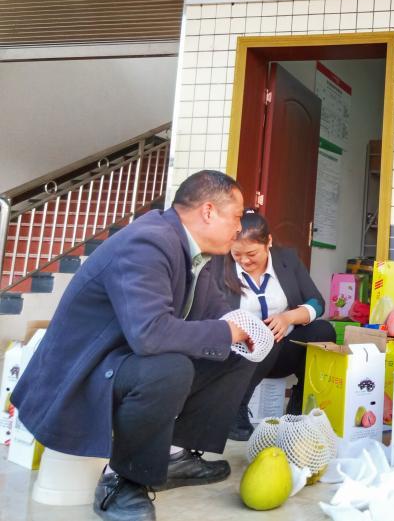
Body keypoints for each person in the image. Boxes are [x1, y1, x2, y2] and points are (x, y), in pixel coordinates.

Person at [11, 170, 256, 521]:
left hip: (124, 360)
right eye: (236, 217)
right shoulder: (147, 242)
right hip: (85, 373)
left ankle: (173, 457)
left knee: (236, 354)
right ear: (207, 211)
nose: (238, 228)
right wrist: (224, 333)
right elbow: (151, 334)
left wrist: (245, 330)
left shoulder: (198, 252)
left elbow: (215, 308)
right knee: (170, 369)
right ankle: (124, 481)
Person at [214, 210, 336, 440]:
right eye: (237, 254)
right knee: (264, 335)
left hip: (280, 352)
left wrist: (287, 318)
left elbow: (317, 303)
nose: (244, 260)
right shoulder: (220, 266)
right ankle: (234, 407)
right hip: (239, 355)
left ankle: (300, 401)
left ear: (268, 242)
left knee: (323, 330)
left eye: (251, 253)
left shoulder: (287, 260)